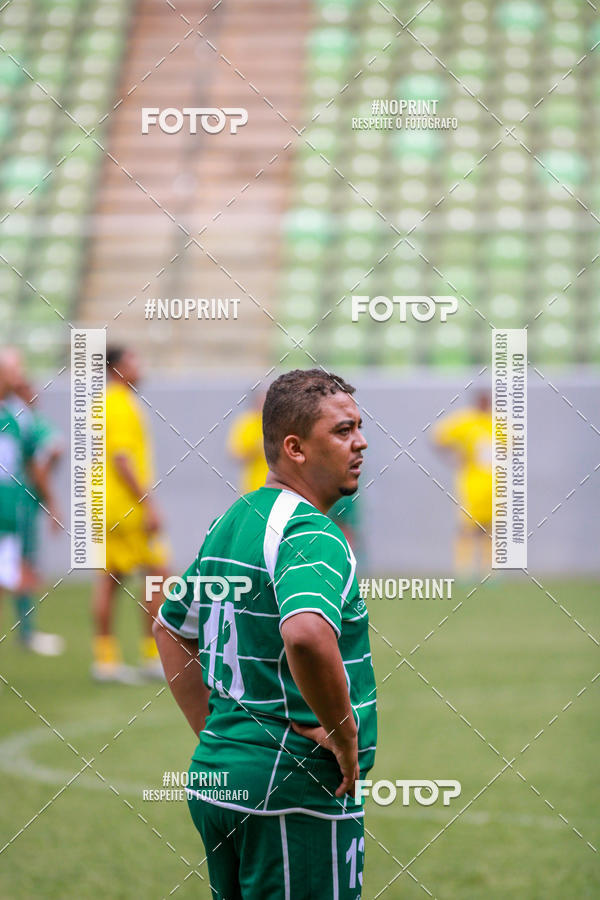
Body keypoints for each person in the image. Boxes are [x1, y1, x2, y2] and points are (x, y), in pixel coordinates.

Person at [153, 369, 376, 899]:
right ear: (295, 447)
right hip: (292, 789)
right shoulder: (311, 532)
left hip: (219, 778)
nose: (361, 442)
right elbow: (305, 634)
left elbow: (169, 627)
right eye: (343, 431)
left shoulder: (234, 518)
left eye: (359, 427)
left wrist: (223, 734)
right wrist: (347, 738)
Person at [92, 346, 168, 683]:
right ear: (119, 366)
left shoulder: (104, 401)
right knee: (159, 576)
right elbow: (122, 459)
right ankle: (153, 655)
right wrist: (149, 504)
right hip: (126, 509)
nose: (141, 364)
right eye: (135, 359)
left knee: (110, 580)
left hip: (105, 506)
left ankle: (105, 660)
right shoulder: (120, 403)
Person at [9, 372, 65, 655]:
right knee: (22, 565)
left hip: (20, 503)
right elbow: (39, 464)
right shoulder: (24, 423)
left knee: (20, 565)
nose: (29, 391)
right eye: (21, 386)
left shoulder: (26, 422)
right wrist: (52, 504)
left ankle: (27, 630)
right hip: (17, 505)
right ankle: (27, 633)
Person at [432, 391, 492, 576]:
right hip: (471, 483)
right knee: (468, 526)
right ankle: (464, 569)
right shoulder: (465, 422)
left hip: (493, 485)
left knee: (489, 526)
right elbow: (438, 437)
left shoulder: (497, 423)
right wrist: (454, 456)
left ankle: (488, 570)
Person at [227, 392, 268, 493]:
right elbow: (235, 455)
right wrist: (255, 449)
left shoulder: (279, 422)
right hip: (252, 487)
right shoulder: (247, 423)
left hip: (278, 489)